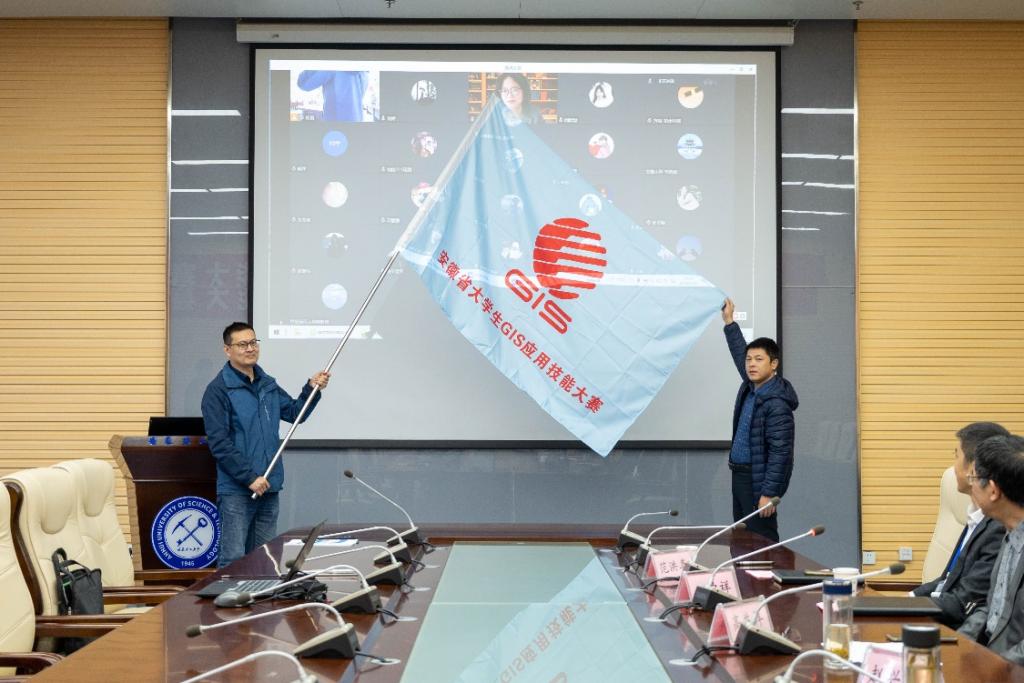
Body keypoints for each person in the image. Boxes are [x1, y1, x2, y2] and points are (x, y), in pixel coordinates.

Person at [201, 322, 330, 567]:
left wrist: (311, 389)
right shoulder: (218, 391)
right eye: (242, 344)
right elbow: (219, 444)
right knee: (233, 561)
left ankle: (259, 595)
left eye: (253, 342)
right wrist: (249, 477)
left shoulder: (267, 384)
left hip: (268, 487)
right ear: (227, 350)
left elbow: (295, 413)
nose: (250, 348)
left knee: (265, 560)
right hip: (237, 491)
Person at [912, 422, 1009, 628]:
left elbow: (965, 602)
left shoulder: (999, 528)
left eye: (956, 456)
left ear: (973, 467)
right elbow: (948, 579)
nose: (953, 467)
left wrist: (906, 607)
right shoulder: (975, 516)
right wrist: (910, 597)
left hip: (959, 631)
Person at [721, 298, 798, 542]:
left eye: (759, 359)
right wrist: (729, 322)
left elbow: (780, 452)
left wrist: (769, 493)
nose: (751, 364)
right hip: (740, 475)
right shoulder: (751, 387)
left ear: (774, 364)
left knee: (762, 541)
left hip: (758, 480)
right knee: (742, 539)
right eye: (749, 360)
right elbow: (739, 352)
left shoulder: (777, 403)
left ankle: (770, 570)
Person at [959, 434, 1024, 665]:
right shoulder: (1009, 534)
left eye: (974, 478)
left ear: (993, 491)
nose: (971, 485)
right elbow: (992, 609)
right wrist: (956, 643)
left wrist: (994, 668)